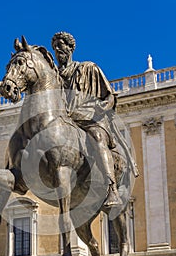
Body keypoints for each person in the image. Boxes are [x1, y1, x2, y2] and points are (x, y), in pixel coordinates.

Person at [51, 31, 138, 207]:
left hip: (90, 119)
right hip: (67, 121)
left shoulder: (89, 68)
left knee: (98, 139)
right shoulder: (54, 77)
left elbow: (110, 96)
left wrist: (104, 106)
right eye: (55, 47)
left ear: (70, 47)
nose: (57, 50)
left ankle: (111, 189)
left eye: (60, 45)